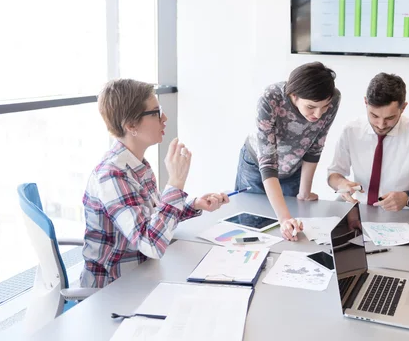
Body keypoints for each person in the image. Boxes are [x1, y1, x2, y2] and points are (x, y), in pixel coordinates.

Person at [81, 79, 229, 288]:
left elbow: (152, 217)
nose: (164, 118)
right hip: (114, 289)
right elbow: (150, 242)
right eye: (156, 112)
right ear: (131, 125)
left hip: (143, 274)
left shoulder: (137, 163)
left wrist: (193, 204)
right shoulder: (111, 176)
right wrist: (175, 183)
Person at [235, 62, 341, 241]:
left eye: (324, 107)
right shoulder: (270, 98)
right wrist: (284, 217)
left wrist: (304, 192)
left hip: (293, 167)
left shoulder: (333, 99)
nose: (318, 114)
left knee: (290, 232)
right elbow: (268, 162)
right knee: (250, 228)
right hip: (256, 166)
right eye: (311, 107)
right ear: (294, 95)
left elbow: (316, 146)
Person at [327, 73, 409, 210]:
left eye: (390, 117)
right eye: (374, 116)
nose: (381, 125)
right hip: (362, 213)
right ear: (366, 103)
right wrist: (341, 184)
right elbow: (334, 173)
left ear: (403, 108)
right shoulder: (351, 130)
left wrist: (408, 197)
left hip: (406, 216)